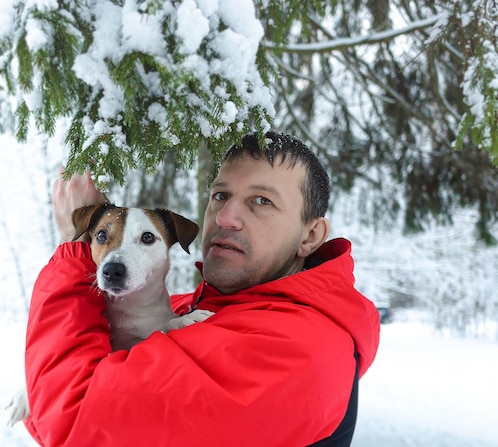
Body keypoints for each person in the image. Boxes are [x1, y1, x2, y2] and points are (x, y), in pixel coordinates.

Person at [23, 131, 380, 446]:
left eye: (262, 201)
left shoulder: (298, 347)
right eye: (221, 196)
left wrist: (75, 248)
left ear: (311, 235)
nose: (225, 218)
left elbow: (70, 421)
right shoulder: (191, 308)